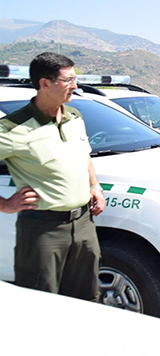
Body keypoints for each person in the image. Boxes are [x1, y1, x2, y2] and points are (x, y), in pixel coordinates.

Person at [0, 52, 105, 301]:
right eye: (68, 80)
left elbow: (84, 156)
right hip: (43, 230)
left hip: (83, 224)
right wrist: (5, 204)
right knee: (42, 304)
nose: (75, 86)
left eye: (75, 79)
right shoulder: (12, 129)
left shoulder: (74, 118)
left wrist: (95, 186)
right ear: (44, 84)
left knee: (87, 300)